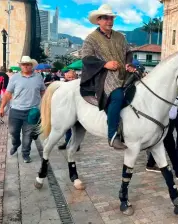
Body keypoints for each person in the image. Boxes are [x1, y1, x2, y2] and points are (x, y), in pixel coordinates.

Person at [80, 4, 134, 150]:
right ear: (98, 20)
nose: (109, 21)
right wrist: (105, 64)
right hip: (104, 76)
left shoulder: (120, 36)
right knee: (117, 96)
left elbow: (129, 52)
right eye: (105, 18)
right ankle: (113, 136)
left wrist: (128, 63)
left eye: (111, 18)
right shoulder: (91, 38)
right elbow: (86, 58)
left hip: (124, 73)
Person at [0, 56, 45, 163]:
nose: (26, 66)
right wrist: (2, 108)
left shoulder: (38, 77)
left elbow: (43, 92)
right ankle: (16, 144)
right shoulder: (14, 78)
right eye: (23, 64)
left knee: (28, 135)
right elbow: (8, 93)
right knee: (13, 132)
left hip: (32, 112)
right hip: (16, 110)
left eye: (28, 64)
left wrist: (46, 106)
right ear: (20, 66)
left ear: (31, 65)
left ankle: (25, 153)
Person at [58, 70, 80, 151]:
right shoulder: (63, 85)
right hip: (66, 109)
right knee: (67, 128)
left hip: (77, 109)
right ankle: (67, 141)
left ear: (75, 77)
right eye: (68, 77)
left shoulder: (78, 85)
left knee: (76, 129)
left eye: (72, 77)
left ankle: (76, 144)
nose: (71, 79)